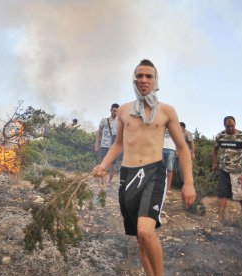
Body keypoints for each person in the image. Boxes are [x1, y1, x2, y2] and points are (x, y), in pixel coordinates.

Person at [93, 59, 195, 276]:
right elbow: (118, 143)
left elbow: (182, 148)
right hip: (128, 175)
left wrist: (188, 182)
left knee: (146, 232)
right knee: (140, 240)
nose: (143, 80)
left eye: (149, 76)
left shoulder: (167, 111)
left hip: (153, 174)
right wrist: (103, 164)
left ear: (155, 80)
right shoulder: (124, 110)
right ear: (134, 79)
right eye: (139, 75)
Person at [211, 116, 242, 223]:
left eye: (232, 126)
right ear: (224, 125)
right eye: (227, 126)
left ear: (235, 124)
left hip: (239, 170)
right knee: (222, 193)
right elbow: (214, 149)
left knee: (241, 195)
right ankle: (220, 218)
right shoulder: (220, 136)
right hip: (224, 170)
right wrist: (215, 163)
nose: (230, 128)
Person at [95, 103, 120, 185]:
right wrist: (96, 145)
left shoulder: (119, 123)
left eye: (117, 111)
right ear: (111, 110)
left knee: (113, 165)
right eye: (114, 111)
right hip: (104, 145)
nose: (115, 113)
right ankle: (103, 182)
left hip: (114, 147)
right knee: (103, 164)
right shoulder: (104, 120)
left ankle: (109, 182)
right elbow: (99, 133)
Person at [163, 129, 176, 194]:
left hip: (171, 149)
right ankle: (161, 187)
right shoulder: (162, 126)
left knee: (170, 169)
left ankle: (168, 188)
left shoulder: (174, 127)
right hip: (161, 148)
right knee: (160, 168)